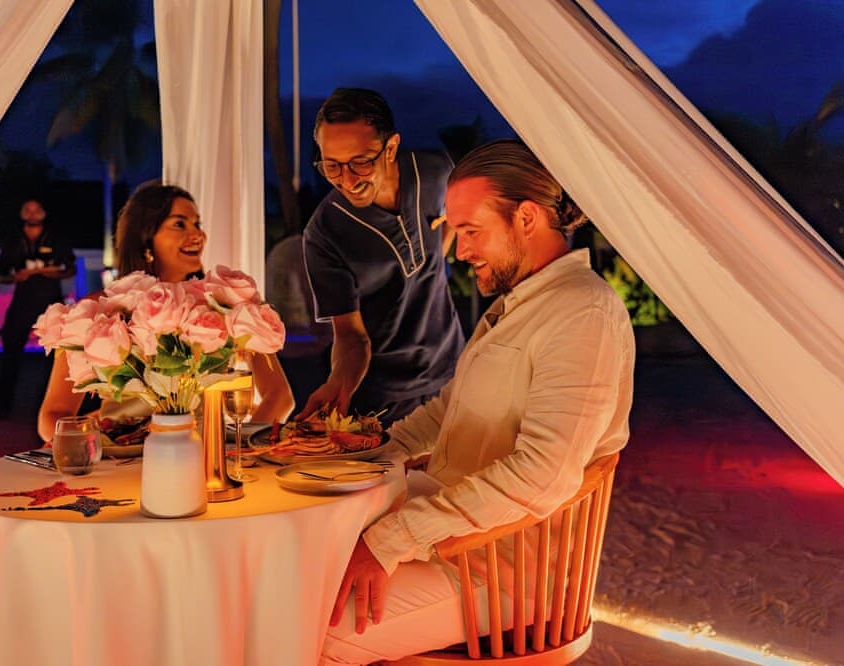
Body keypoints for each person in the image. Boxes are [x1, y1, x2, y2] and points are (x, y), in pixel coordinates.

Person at [320, 139, 636, 664]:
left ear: (527, 218)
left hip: (505, 574)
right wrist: (365, 456)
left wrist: (392, 539)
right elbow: (448, 411)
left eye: (471, 231)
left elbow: (542, 475)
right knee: (291, 576)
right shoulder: (520, 304)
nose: (459, 251)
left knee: (312, 633)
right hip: (456, 544)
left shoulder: (583, 313)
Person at [37, 181, 295, 443]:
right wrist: (87, 448)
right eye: (180, 224)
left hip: (201, 455)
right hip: (119, 457)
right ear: (145, 237)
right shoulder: (100, 311)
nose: (197, 234)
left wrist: (245, 446)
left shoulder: (223, 303)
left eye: (197, 224)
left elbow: (279, 396)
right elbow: (53, 414)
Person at [299, 88, 465, 427]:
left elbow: (452, 218)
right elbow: (351, 336)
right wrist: (338, 385)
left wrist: (436, 259)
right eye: (332, 166)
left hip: (454, 373)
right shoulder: (324, 233)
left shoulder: (434, 172)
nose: (347, 180)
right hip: (382, 400)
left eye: (360, 162)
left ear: (390, 148)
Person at [0, 199, 75, 420]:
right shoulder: (13, 239)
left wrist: (46, 272)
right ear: (22, 213)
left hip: (51, 302)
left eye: (37, 209)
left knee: (57, 356)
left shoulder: (56, 237)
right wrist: (17, 276)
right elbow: (2, 274)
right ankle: (2, 406)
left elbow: (70, 269)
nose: (33, 214)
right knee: (11, 352)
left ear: (44, 212)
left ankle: (57, 407)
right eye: (28, 210)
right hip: (22, 301)